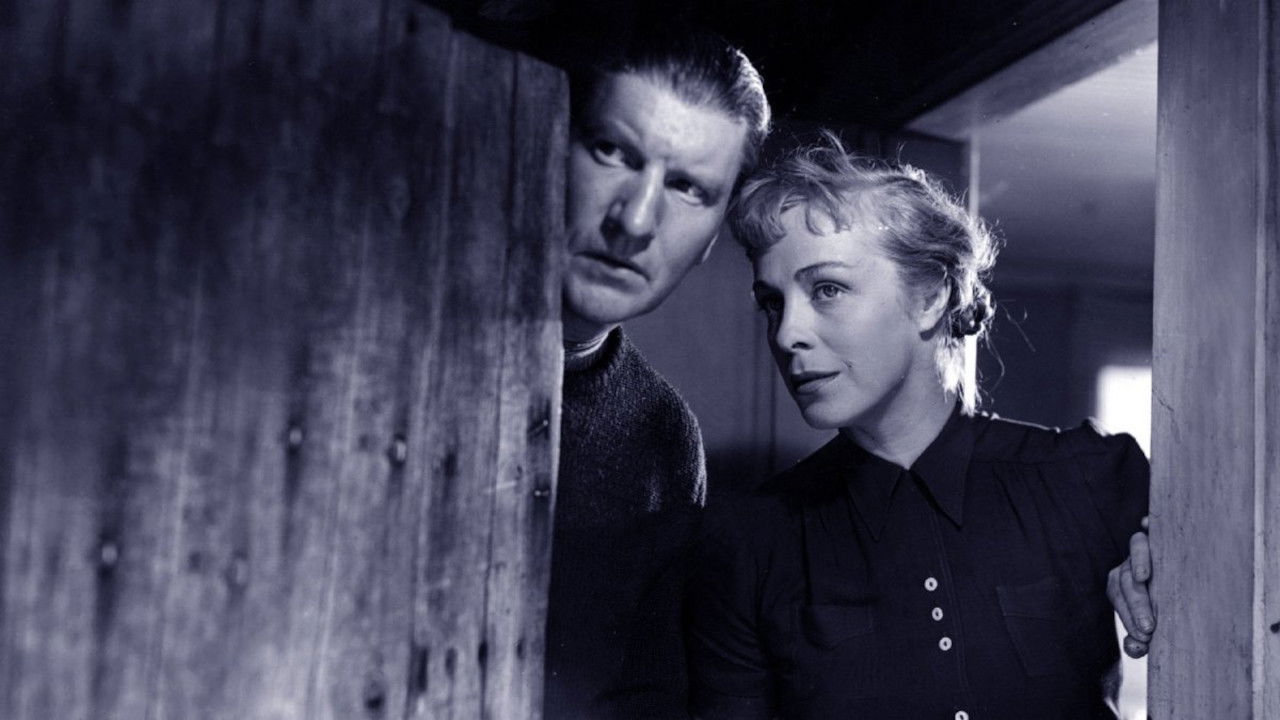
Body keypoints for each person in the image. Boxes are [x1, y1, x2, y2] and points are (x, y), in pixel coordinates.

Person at [686, 134, 1150, 719]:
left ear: (931, 296)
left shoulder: (1091, 477)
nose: (786, 334)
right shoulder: (751, 544)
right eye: (772, 303)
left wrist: (1164, 567)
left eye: (827, 289)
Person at [544, 29, 771, 720]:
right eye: (612, 152)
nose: (636, 221)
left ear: (712, 239)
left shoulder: (664, 436)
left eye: (687, 187)